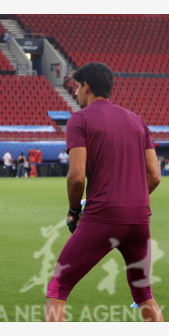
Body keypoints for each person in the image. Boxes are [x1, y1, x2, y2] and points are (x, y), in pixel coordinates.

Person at [44, 63, 163, 322]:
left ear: (86, 86)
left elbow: (76, 178)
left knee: (58, 288)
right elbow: (154, 176)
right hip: (140, 219)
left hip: (102, 217)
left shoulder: (80, 119)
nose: (75, 93)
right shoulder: (138, 121)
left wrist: (75, 210)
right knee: (143, 293)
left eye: (76, 87)